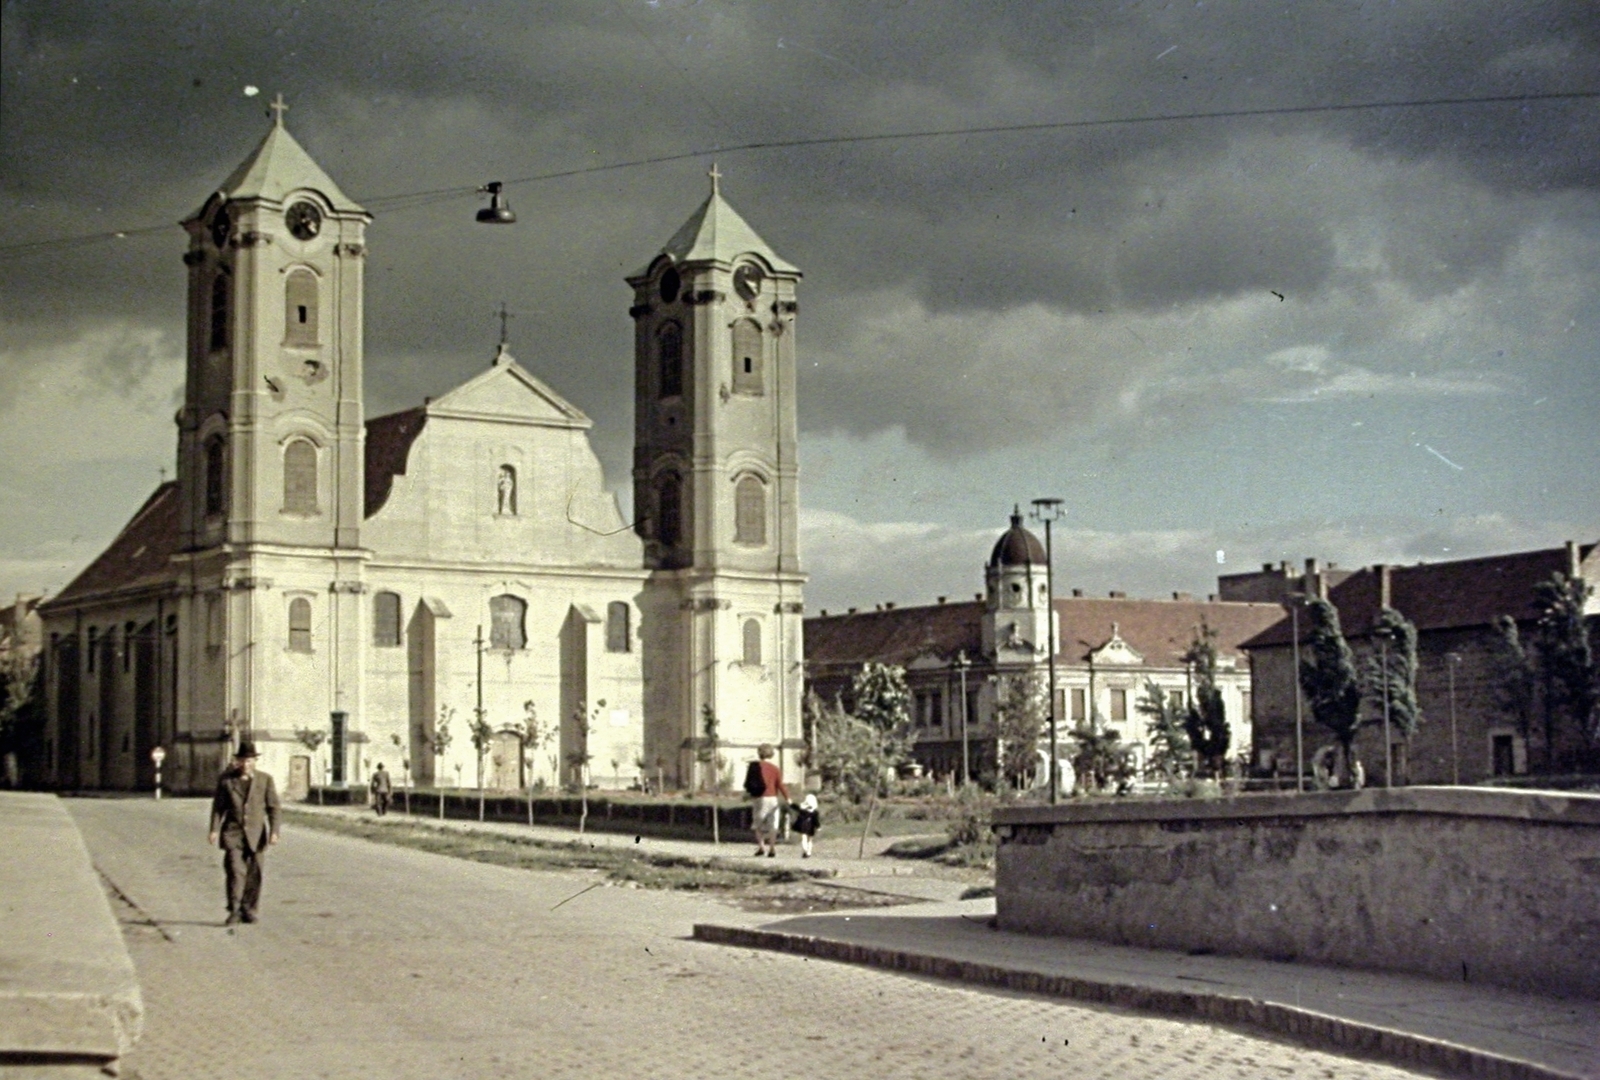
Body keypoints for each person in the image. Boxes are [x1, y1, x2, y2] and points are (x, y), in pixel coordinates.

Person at [208, 741, 280, 925]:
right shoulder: (227, 780)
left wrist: (274, 831)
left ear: (254, 761)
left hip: (257, 836)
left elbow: (274, 807)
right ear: (237, 761)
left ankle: (249, 909)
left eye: (249, 761)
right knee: (235, 871)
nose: (245, 765)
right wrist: (214, 829)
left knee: (255, 874)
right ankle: (234, 910)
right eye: (242, 761)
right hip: (233, 834)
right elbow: (218, 807)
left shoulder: (265, 780)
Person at [742, 743, 788, 857]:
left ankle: (761, 847)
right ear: (771, 754)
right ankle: (772, 848)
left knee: (758, 823)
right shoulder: (775, 769)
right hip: (773, 798)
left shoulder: (754, 767)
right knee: (773, 824)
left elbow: (748, 783)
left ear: (759, 753)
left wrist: (748, 794)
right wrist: (788, 797)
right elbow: (780, 785)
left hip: (759, 798)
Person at [791, 792, 821, 858]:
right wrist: (818, 827)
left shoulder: (803, 809)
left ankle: (805, 850)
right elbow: (816, 821)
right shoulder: (815, 812)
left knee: (804, 839)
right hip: (811, 827)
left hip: (803, 826)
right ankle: (809, 852)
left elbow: (796, 808)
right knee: (810, 840)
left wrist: (791, 804)